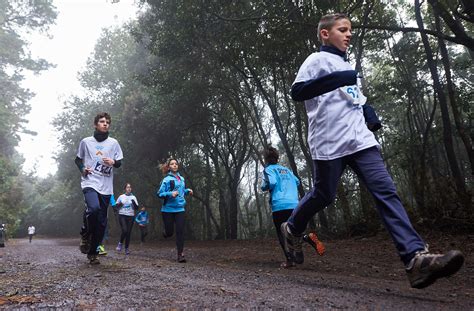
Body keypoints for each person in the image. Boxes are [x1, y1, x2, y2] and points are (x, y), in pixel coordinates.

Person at [283, 13, 464, 289]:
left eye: (350, 31)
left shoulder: (347, 65)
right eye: (342, 30)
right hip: (328, 143)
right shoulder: (316, 60)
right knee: (323, 194)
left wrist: (369, 112)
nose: (348, 34)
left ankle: (416, 259)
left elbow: (355, 97)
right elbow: (298, 92)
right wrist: (337, 79)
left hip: (360, 140)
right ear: (324, 34)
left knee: (386, 191)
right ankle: (293, 227)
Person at [261, 147, 325, 268]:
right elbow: (297, 181)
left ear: (266, 159)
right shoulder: (287, 170)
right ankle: (307, 237)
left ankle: (290, 261)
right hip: (294, 204)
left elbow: (272, 182)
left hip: (279, 205)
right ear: (277, 157)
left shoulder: (268, 169)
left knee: (282, 233)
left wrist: (264, 187)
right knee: (293, 229)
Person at [76, 112, 123, 265]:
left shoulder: (114, 143)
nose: (105, 124)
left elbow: (119, 162)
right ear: (95, 124)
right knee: (93, 209)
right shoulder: (86, 142)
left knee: (102, 223)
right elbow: (78, 160)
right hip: (90, 182)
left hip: (106, 186)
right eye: (102, 121)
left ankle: (92, 253)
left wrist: (113, 162)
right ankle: (85, 233)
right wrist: (83, 169)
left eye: (107, 122)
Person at [157, 158, 193, 263]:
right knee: (170, 232)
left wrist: (187, 191)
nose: (174, 165)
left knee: (180, 231)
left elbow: (181, 192)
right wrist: (170, 194)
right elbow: (159, 194)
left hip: (180, 209)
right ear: (169, 167)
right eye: (172, 164)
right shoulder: (166, 180)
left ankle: (180, 254)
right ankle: (166, 232)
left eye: (176, 164)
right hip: (167, 210)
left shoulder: (181, 179)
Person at [115, 183, 139, 255]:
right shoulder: (121, 196)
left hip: (131, 216)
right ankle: (120, 243)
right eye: (127, 187)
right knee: (124, 230)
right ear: (125, 189)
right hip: (122, 215)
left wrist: (133, 203)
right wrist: (120, 204)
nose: (129, 188)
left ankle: (126, 248)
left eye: (130, 187)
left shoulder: (133, 197)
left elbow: (137, 208)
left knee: (128, 233)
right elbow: (116, 207)